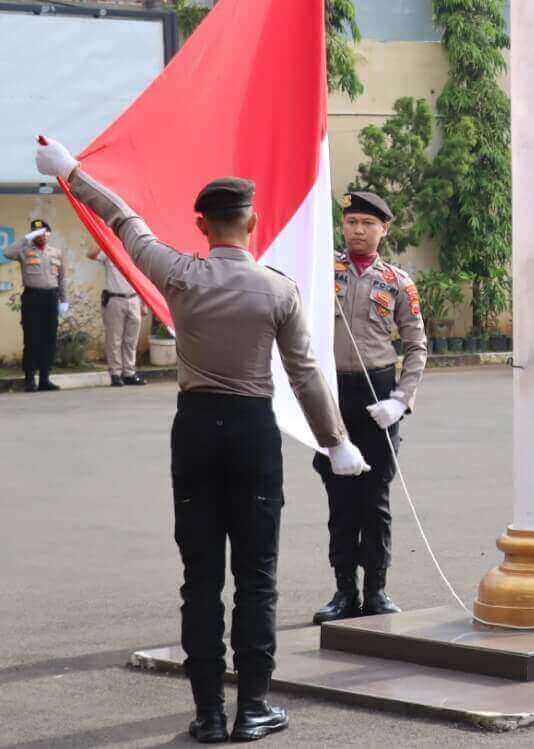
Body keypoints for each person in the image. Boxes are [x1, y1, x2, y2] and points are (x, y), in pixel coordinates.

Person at [34, 136, 368, 743]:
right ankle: (254, 708)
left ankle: (209, 713)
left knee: (202, 576)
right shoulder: (278, 289)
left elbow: (123, 219)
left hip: (194, 431)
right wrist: (336, 442)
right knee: (258, 575)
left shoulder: (178, 273)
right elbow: (305, 375)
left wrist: (71, 172)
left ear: (200, 225)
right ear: (253, 223)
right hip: (252, 433)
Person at [312, 191, 428, 625]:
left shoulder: (398, 282)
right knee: (340, 498)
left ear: (385, 229)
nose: (358, 230)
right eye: (351, 222)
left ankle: (377, 589)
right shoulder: (324, 273)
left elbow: (416, 346)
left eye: (368, 223)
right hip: (333, 392)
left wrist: (400, 400)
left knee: (376, 497)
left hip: (378, 391)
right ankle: (344, 591)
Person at [3, 217, 65, 391]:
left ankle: (45, 378)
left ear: (48, 234)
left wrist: (64, 300)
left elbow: (61, 279)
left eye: (44, 232)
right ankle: (30, 379)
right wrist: (26, 238)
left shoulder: (56, 252)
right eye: (37, 233)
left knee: (49, 340)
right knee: (32, 339)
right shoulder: (24, 250)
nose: (41, 236)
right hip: (32, 298)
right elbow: (7, 252)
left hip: (51, 298)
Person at [88, 241, 146, 386]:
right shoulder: (110, 252)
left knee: (131, 340)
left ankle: (129, 373)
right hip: (115, 299)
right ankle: (115, 373)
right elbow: (91, 254)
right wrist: (102, 237)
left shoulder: (135, 254)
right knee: (114, 339)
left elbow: (142, 280)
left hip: (133, 298)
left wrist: (144, 303)